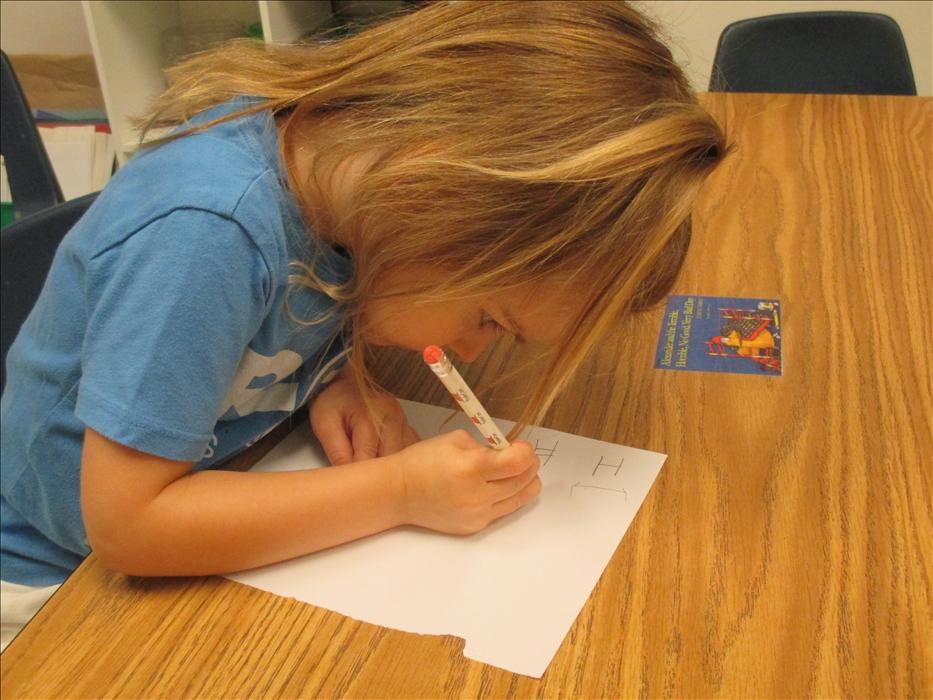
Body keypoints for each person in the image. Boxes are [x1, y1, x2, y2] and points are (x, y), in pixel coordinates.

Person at [0, 0, 727, 649]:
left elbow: (306, 284)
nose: (470, 351)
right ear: (432, 192)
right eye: (489, 319)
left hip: (204, 499)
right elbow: (129, 528)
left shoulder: (347, 178)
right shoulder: (206, 234)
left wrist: (335, 372)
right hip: (52, 583)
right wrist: (398, 494)